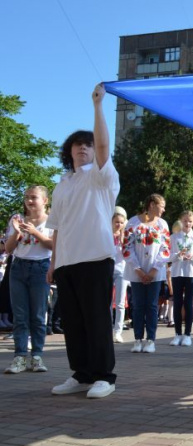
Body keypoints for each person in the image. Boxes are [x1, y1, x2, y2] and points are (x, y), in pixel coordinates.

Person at [47, 84, 120, 398]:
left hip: (95, 259)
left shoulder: (100, 176)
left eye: (87, 145)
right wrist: (53, 264)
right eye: (77, 145)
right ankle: (81, 374)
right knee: (74, 325)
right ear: (69, 151)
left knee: (97, 321)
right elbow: (57, 227)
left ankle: (105, 376)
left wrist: (98, 107)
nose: (83, 149)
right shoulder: (62, 183)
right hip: (66, 264)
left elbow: (104, 147)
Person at [4, 187, 54, 374]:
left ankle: (37, 356)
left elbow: (53, 245)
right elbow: (8, 249)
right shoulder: (17, 218)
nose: (29, 201)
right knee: (20, 315)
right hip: (18, 268)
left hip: (40, 267)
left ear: (45, 201)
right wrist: (16, 233)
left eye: (34, 197)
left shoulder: (51, 220)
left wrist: (35, 232)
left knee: (38, 315)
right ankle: (20, 356)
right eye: (27, 197)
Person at [122, 194, 170, 354]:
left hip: (155, 273)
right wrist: (139, 270)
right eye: (161, 205)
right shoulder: (133, 222)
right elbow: (127, 247)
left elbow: (165, 249)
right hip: (137, 272)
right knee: (138, 306)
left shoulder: (163, 224)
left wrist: (153, 270)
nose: (163, 209)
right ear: (151, 204)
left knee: (151, 305)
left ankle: (151, 340)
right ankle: (137, 339)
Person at [169, 210, 193, 347]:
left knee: (188, 303)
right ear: (181, 221)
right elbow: (169, 255)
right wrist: (178, 255)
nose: (187, 224)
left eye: (190, 221)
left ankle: (187, 334)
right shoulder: (174, 237)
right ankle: (177, 334)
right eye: (185, 221)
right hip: (177, 273)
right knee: (177, 303)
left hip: (191, 273)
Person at [111, 212, 128, 344]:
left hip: (122, 271)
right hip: (107, 271)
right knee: (107, 303)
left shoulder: (126, 237)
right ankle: (106, 331)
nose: (119, 225)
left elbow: (128, 254)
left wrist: (123, 241)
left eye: (121, 222)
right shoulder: (106, 235)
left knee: (120, 303)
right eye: (117, 222)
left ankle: (118, 332)